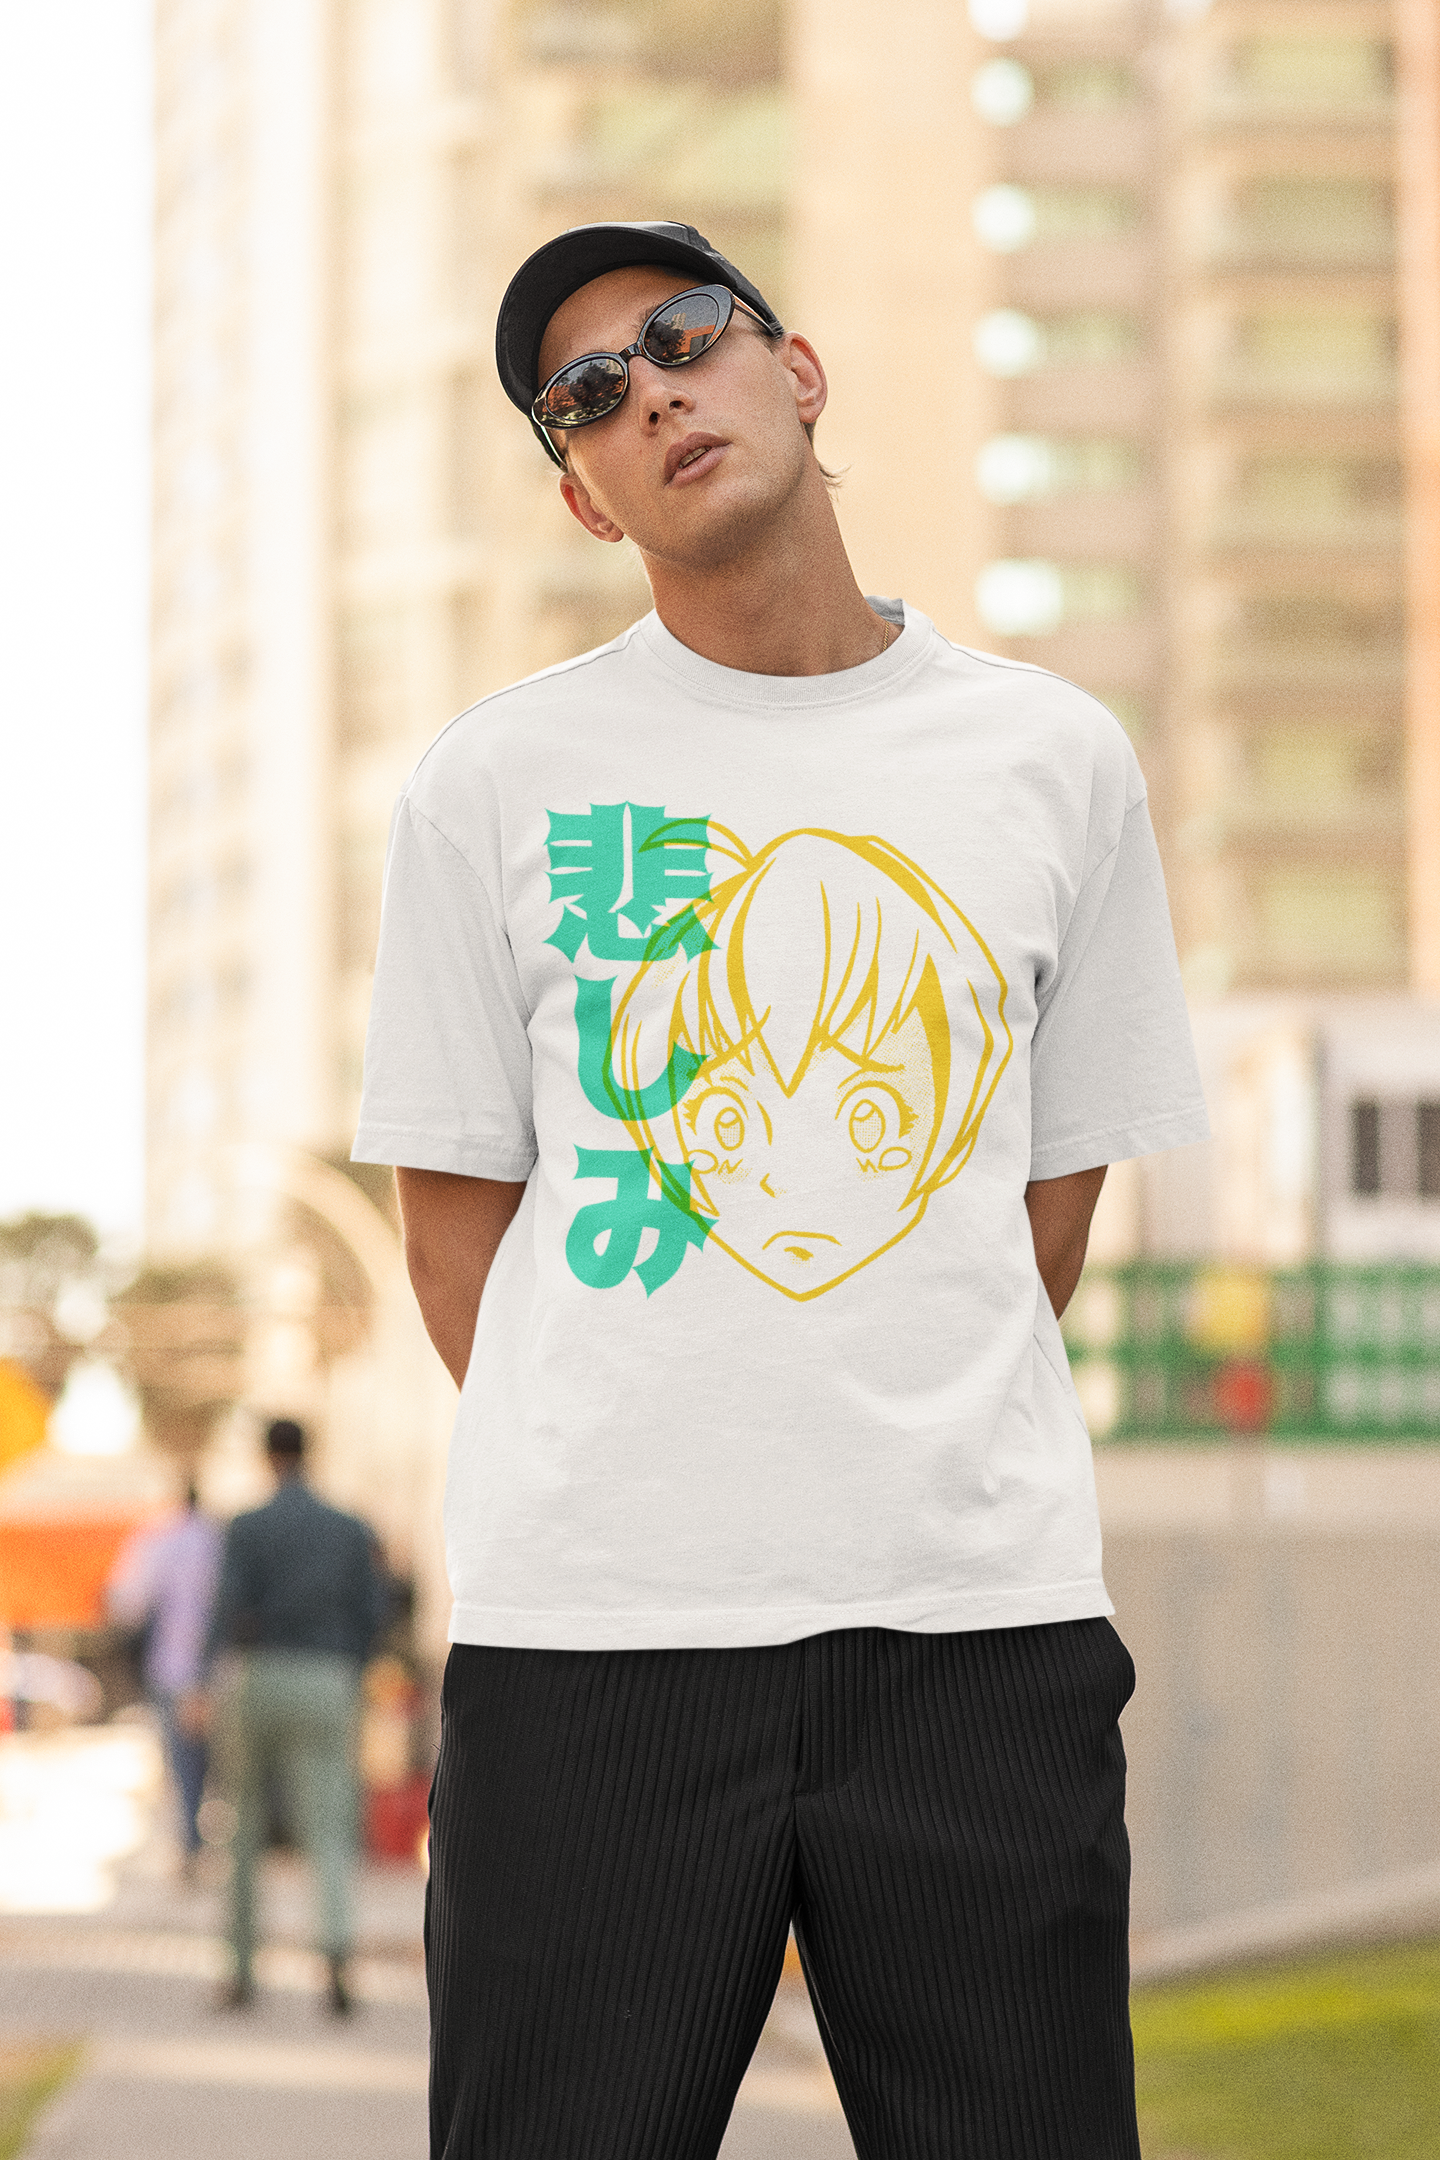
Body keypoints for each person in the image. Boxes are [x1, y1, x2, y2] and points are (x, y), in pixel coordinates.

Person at [353, 219, 1211, 2158]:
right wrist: (648, 1452)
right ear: (583, 494)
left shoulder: (1052, 757)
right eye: (588, 394)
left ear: (797, 370)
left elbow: (1048, 1201)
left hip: (974, 1632)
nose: (651, 392)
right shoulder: (494, 783)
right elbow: (453, 1235)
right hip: (596, 1653)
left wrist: (879, 1422)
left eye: (684, 337)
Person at [205, 1417, 388, 2014]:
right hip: (329, 1678)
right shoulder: (350, 1528)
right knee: (329, 1824)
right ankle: (334, 1960)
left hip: (259, 1675)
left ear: (267, 1457)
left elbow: (225, 1608)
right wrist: (352, 1664)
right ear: (311, 1454)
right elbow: (375, 1610)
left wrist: (205, 1679)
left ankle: (240, 1971)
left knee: (244, 1824)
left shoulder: (246, 1527)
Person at [106, 1482, 222, 1871]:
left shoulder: (158, 1541)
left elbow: (128, 1603)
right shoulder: (220, 1540)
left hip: (173, 1667)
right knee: (216, 1763)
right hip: (221, 1670)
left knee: (183, 1761)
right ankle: (203, 1841)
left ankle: (192, 1843)